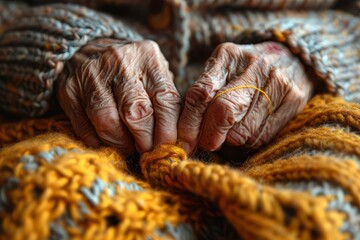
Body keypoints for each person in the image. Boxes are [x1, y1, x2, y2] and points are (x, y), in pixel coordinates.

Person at [0, 0, 359, 239]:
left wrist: (305, 53)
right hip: (77, 104)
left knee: (331, 217)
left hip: (297, 99)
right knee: (41, 205)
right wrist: (63, 44)